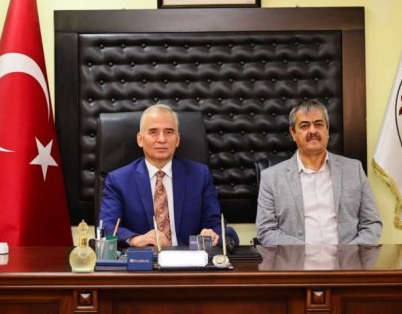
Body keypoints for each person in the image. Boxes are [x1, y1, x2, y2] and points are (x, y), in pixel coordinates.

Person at [99, 104, 230, 248]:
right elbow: (107, 227)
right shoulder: (118, 181)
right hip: (144, 259)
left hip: (189, 259)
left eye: (169, 132)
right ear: (140, 139)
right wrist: (136, 239)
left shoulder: (200, 175)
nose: (162, 139)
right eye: (153, 132)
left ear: (177, 139)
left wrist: (212, 233)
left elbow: (216, 224)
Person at [256, 99, 382, 245]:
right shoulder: (271, 178)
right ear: (293, 133)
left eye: (318, 124)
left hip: (346, 257)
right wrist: (307, 252)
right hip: (296, 258)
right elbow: (266, 231)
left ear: (327, 130)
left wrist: (348, 253)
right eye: (304, 126)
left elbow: (372, 224)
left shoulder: (354, 170)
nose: (312, 131)